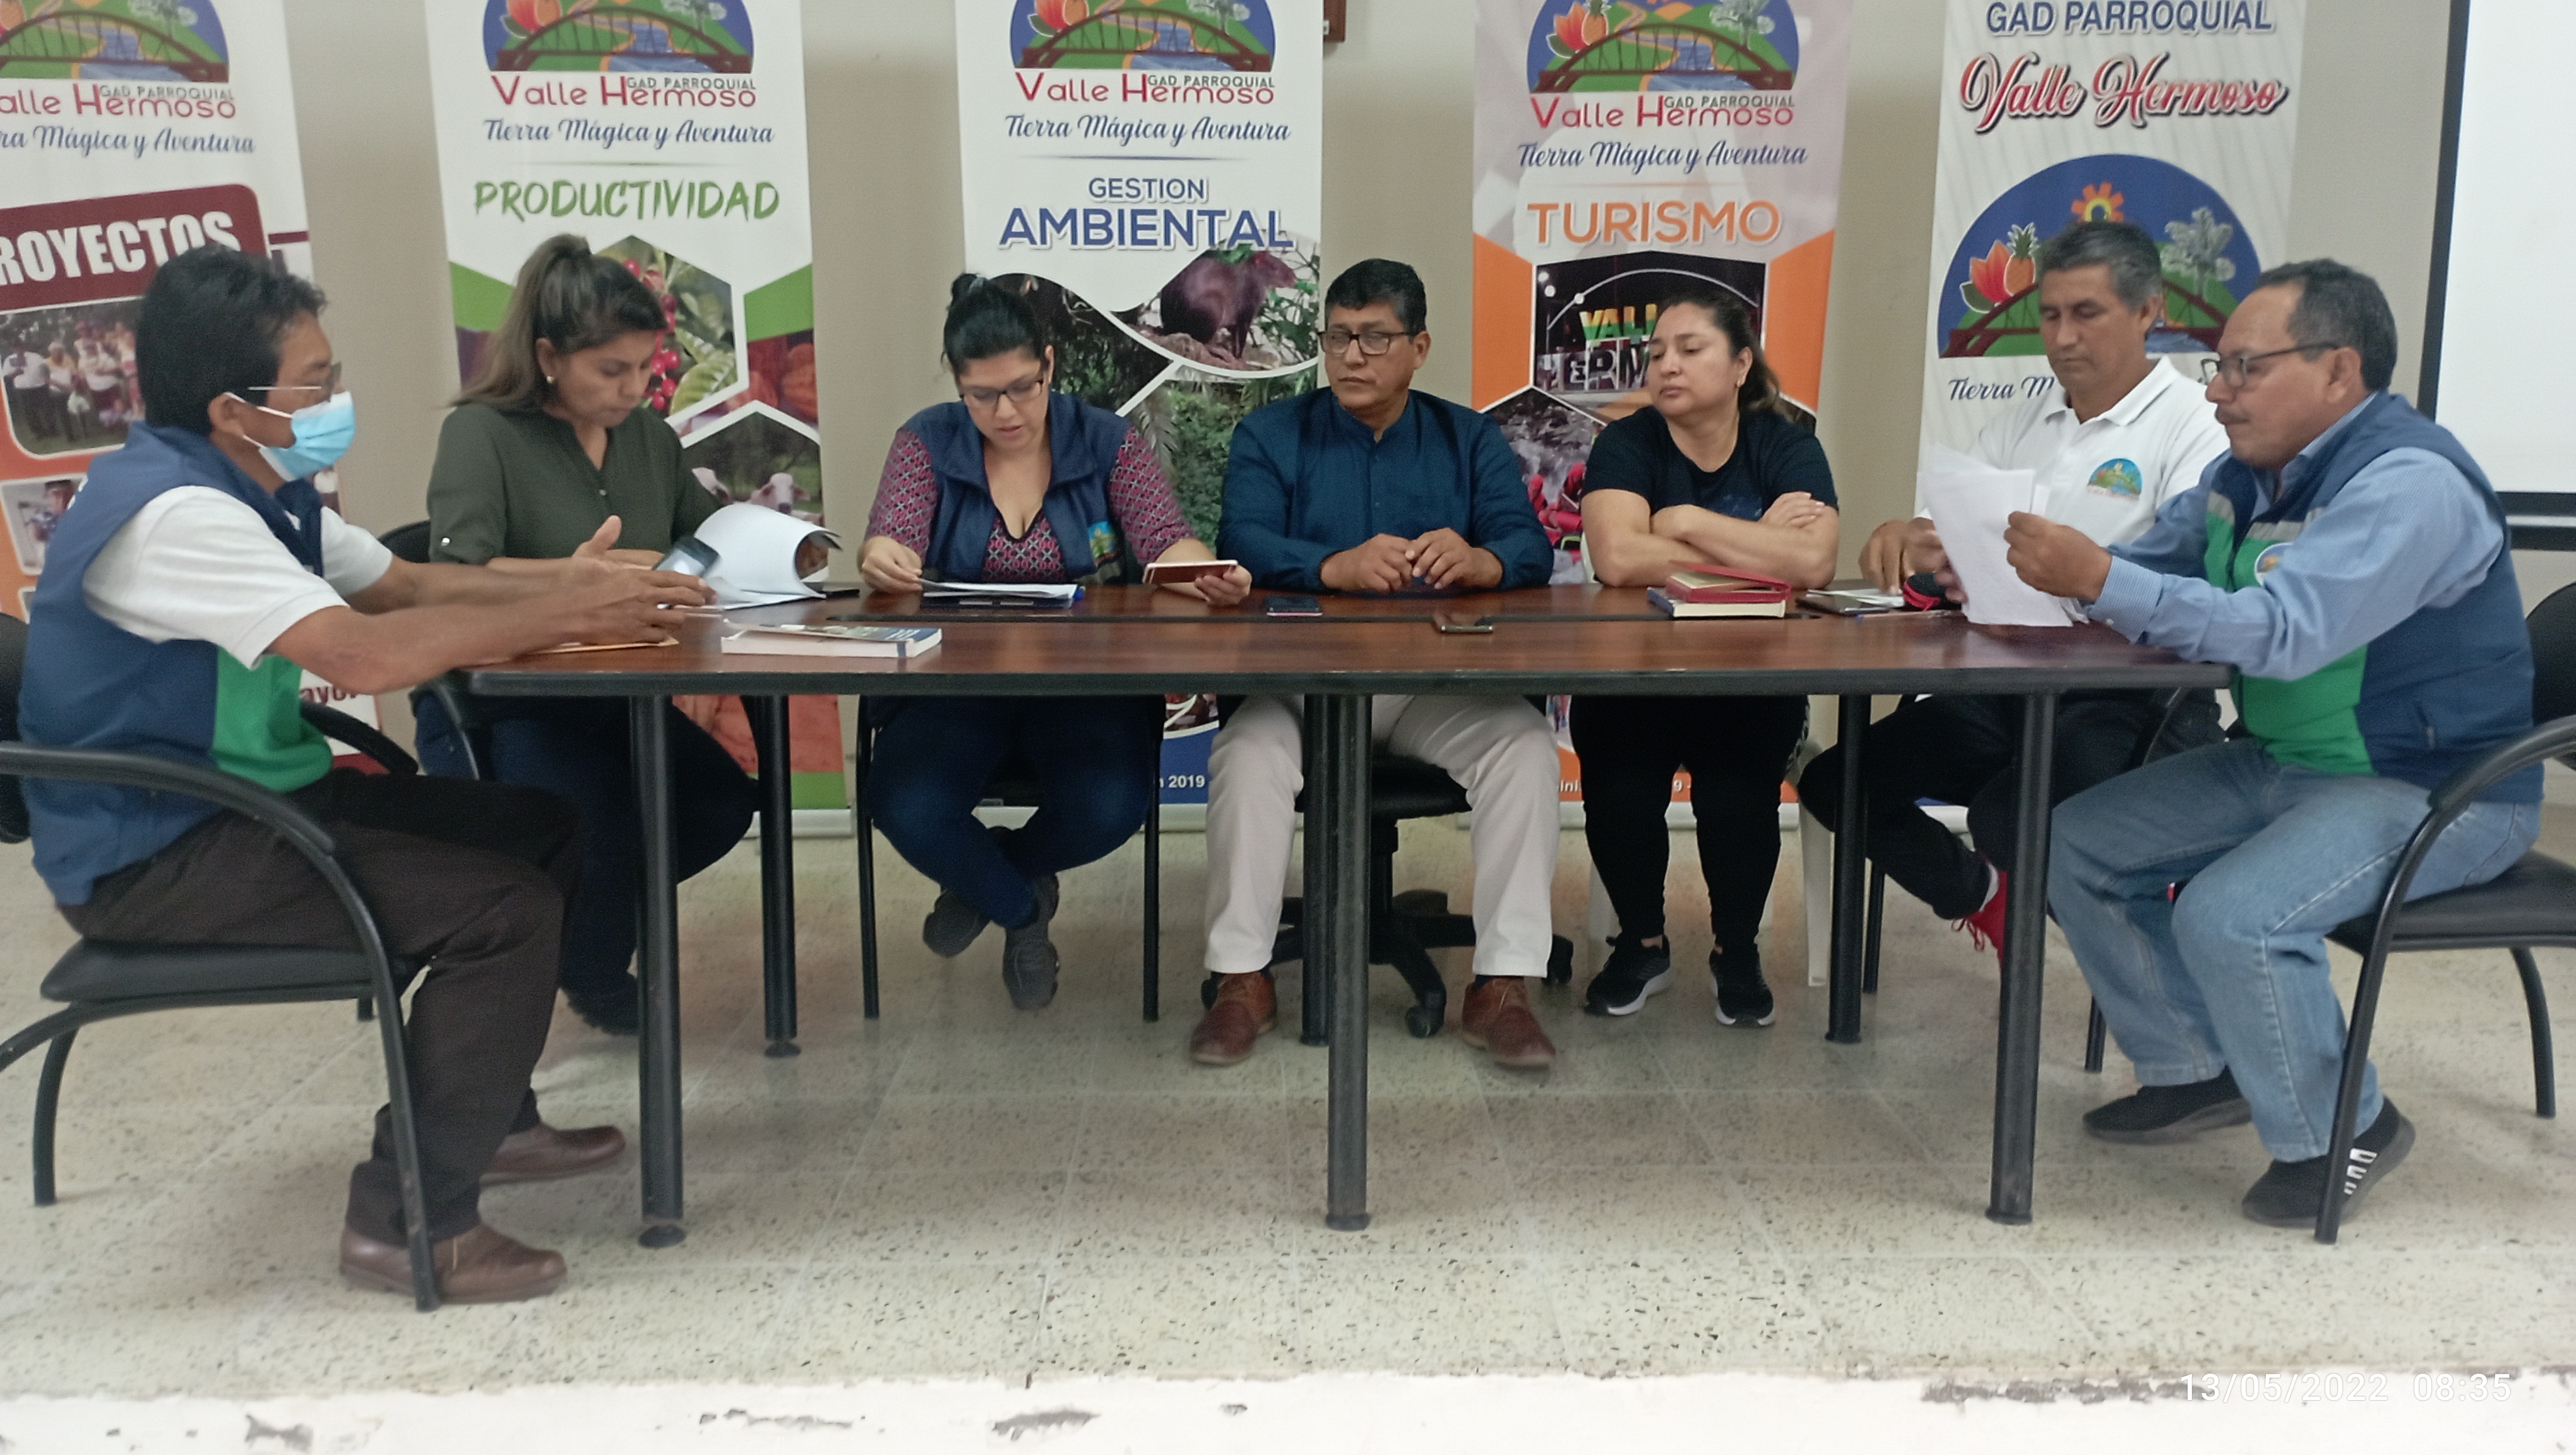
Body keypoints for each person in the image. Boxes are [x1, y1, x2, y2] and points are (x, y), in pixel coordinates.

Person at [16, 246, 708, 1301]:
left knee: (542, 825)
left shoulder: (261, 486)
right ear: (235, 409)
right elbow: (366, 655)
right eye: (316, 385)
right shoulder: (178, 516)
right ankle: (409, 1222)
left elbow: (405, 587)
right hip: (160, 850)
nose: (335, 401)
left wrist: (566, 583)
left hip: (252, 803)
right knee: (503, 912)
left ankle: (489, 1116)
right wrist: (569, 610)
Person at [2006, 260, 2539, 1227]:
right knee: (2075, 844)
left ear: (2339, 370)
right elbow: (2142, 570)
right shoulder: (2243, 478)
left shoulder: (2410, 484)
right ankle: (2196, 1066)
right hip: (2288, 761)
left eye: (2245, 368)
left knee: (2233, 916)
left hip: (2430, 786)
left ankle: (2347, 1127)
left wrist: (2100, 580)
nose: (2218, 391)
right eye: (2219, 368)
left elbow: (2287, 631)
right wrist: (2004, 565)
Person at [1798, 220, 2229, 965]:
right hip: (2008, 687)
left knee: (2010, 817)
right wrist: (1912, 539)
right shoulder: (2022, 422)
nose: (2062, 337)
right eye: (2050, 315)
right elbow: (1941, 533)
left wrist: (2083, 576)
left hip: (2134, 700)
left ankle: (2156, 970)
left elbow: (2191, 581)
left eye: (2086, 313)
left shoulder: (2196, 428)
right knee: (1840, 781)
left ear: (2148, 311)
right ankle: (1981, 895)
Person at [1190, 258, 1561, 1069]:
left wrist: (1483, 560)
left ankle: (1501, 985)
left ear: (1419, 347)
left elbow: (1528, 545)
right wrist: (1333, 566)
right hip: (1300, 687)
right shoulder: (1271, 433)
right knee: (1246, 758)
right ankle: (1242, 980)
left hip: (1432, 687)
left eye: (1374, 338)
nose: (1352, 355)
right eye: (1337, 337)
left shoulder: (1468, 438)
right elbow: (1241, 540)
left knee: (1526, 749)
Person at [857, 276, 1249, 1008]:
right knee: (905, 804)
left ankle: (988, 879)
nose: (1005, 412)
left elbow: (1166, 541)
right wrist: (882, 555)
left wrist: (1205, 573)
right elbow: (891, 540)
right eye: (982, 395)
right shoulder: (926, 440)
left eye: (1022, 388)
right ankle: (1021, 906)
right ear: (957, 383)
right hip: (956, 688)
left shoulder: (1107, 442)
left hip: (1086, 687)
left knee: (1112, 804)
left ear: (1049, 363)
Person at [417, 234, 761, 1036]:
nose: (635, 389)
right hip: (511, 701)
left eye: (645, 367)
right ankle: (594, 967)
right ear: (547, 357)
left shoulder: (649, 437)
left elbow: (705, 539)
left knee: (719, 804)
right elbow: (455, 573)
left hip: (621, 694)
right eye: (611, 371)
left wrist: (766, 553)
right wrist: (575, 576)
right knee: (597, 826)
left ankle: (580, 932)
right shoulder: (481, 433)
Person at [1569, 280, 1839, 1026]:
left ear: (1741, 364)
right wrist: (1761, 549)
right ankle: (1642, 944)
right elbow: (1619, 558)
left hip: (1750, 679)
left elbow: (1814, 564)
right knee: (1620, 779)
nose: (1667, 365)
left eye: (1690, 349)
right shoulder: (1627, 442)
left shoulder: (1786, 444)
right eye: (1658, 352)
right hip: (1637, 676)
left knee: (1736, 790)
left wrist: (1684, 520)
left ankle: (1736, 950)